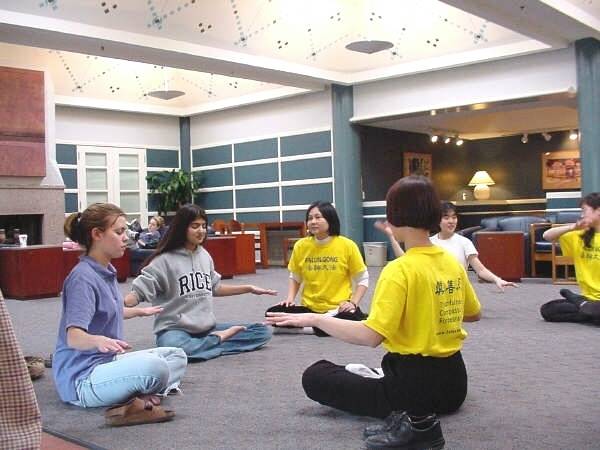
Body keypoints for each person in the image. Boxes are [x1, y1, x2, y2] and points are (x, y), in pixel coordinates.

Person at [266, 176, 481, 450]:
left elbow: (371, 336)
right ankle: (379, 377)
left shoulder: (399, 269)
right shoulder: (451, 263)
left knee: (316, 375)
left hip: (411, 390)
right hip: (455, 385)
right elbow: (473, 313)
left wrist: (314, 319)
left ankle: (395, 400)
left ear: (395, 216)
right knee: (364, 370)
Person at [53, 203, 187, 425]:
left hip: (105, 361)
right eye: (119, 232)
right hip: (81, 379)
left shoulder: (106, 271)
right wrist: (99, 341)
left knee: (176, 355)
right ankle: (141, 396)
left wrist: (139, 311)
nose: (126, 238)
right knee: (156, 367)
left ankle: (138, 396)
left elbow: (105, 312)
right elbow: (74, 336)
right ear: (97, 234)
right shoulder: (82, 279)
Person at [124, 204, 276, 361]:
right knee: (174, 347)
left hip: (206, 329)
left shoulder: (204, 255)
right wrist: (121, 303)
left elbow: (215, 287)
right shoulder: (163, 260)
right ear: (182, 228)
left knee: (261, 332)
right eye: (195, 226)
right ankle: (217, 341)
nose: (201, 231)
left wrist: (248, 288)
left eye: (203, 226)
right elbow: (138, 292)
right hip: (175, 330)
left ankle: (206, 346)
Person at [266, 201, 369, 335]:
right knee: (272, 313)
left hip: (338, 309)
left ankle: (305, 327)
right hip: (309, 309)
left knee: (350, 316)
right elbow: (295, 277)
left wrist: (353, 303)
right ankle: (321, 326)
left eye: (318, 217)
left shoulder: (347, 245)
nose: (313, 221)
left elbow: (363, 279)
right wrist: (290, 299)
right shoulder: (301, 245)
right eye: (310, 218)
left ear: (330, 219)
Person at [375, 201, 517, 292]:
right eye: (446, 217)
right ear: (437, 220)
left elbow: (480, 269)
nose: (451, 221)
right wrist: (391, 236)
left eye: (454, 217)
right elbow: (405, 259)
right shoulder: (429, 242)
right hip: (435, 291)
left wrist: (497, 279)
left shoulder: (464, 242)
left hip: (456, 290)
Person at [540, 192, 600, 323]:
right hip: (589, 298)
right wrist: (572, 227)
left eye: (584, 210)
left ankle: (582, 305)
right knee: (548, 309)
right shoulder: (579, 235)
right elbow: (547, 236)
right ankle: (587, 308)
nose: (582, 215)